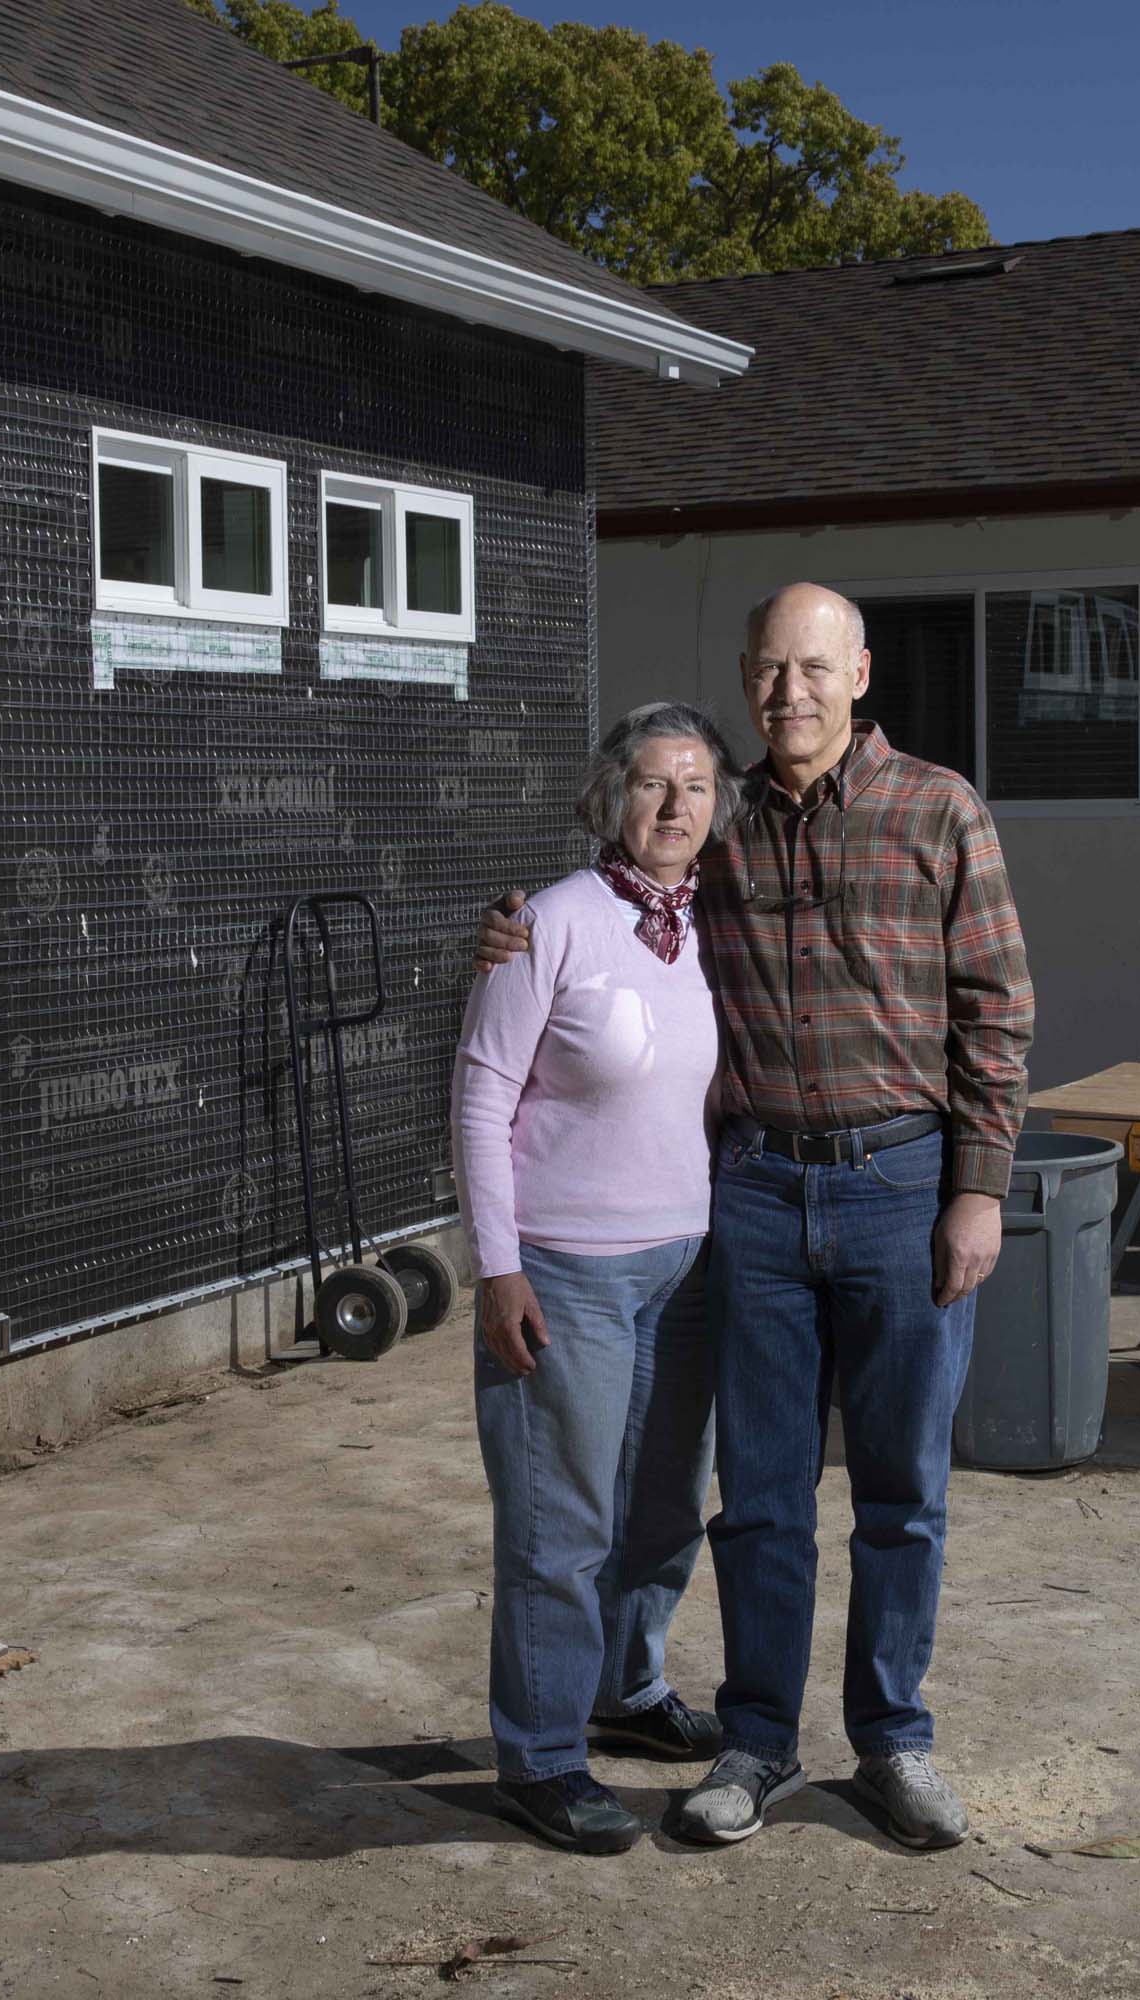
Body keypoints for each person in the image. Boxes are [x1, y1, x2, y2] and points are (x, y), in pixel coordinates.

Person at [479, 583, 1035, 1851]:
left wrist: (979, 1188)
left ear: (862, 673)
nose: (791, 693)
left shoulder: (939, 810)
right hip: (758, 1200)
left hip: (904, 1186)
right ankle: (759, 1738)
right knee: (765, 1489)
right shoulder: (715, 820)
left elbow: (996, 1012)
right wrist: (508, 928)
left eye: (815, 668)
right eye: (771, 672)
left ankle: (893, 1740)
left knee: (903, 1487)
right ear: (747, 679)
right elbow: (611, 891)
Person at [449, 701, 742, 1853]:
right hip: (565, 1270)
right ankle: (541, 1752)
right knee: (560, 1524)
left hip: (689, 1263)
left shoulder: (727, 921)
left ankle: (629, 1686)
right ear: (611, 795)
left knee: (665, 1508)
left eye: (699, 786)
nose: (676, 807)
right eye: (655, 784)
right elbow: (480, 1096)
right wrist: (497, 1265)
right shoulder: (550, 923)